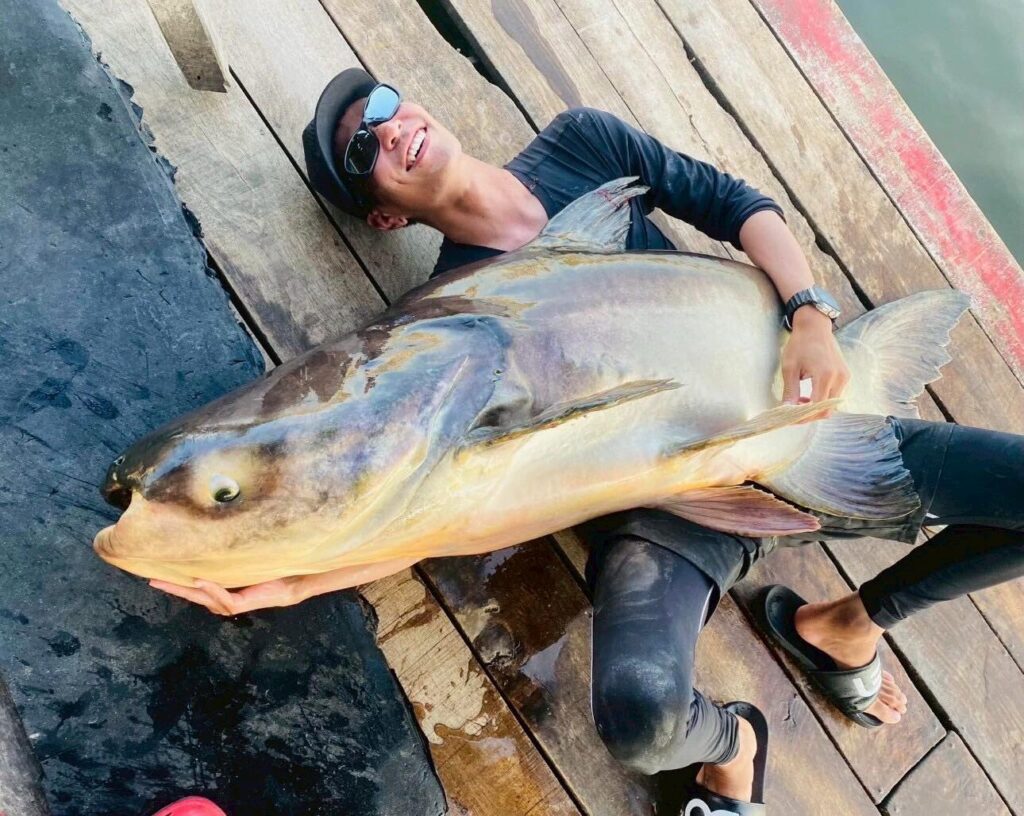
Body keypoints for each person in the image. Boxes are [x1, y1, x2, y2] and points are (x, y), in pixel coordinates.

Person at [150, 69, 1024, 814]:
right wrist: (290, 581)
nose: (386, 132)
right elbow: (435, 507)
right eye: (360, 150)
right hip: (665, 513)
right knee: (641, 715)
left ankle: (850, 625)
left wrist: (810, 315)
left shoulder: (584, 146)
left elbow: (735, 205)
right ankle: (734, 745)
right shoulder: (442, 318)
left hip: (791, 400)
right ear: (382, 216)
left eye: (382, 104)